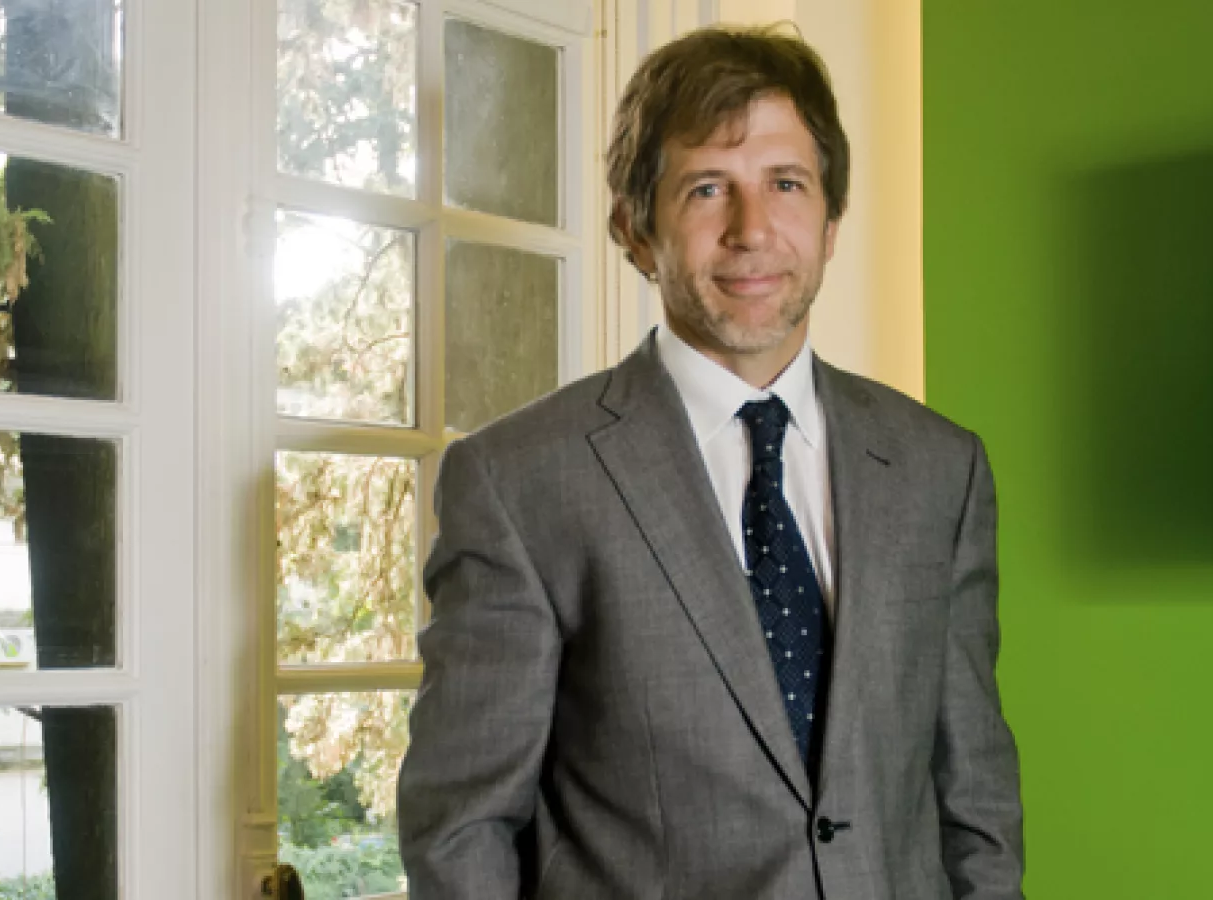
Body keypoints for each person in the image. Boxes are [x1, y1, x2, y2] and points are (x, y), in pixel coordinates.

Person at [398, 24, 1025, 899]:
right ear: (636, 230)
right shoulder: (519, 483)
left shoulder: (939, 470)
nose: (752, 229)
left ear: (831, 222)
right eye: (706, 189)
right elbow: (461, 833)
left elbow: (974, 799)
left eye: (786, 184)